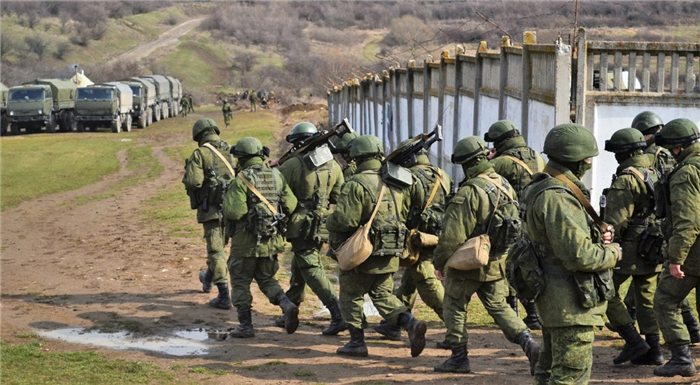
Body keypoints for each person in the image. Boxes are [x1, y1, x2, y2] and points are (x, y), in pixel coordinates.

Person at [520, 124, 621, 384]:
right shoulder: (558, 197)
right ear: (581, 160)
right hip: (571, 303)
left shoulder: (542, 187)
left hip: (555, 300)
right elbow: (580, 256)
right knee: (569, 377)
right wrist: (613, 252)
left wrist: (597, 234)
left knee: (548, 371)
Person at [432, 136, 539, 374]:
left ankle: (459, 358)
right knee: (500, 307)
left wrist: (439, 263)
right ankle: (529, 343)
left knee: (454, 305)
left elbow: (451, 235)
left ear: (465, 164)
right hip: (495, 261)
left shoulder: (469, 192)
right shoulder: (504, 184)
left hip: (468, 262)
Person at [327, 134, 428, 358]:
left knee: (351, 295)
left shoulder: (355, 184)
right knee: (383, 295)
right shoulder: (396, 181)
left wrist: (329, 219)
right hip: (390, 251)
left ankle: (356, 342)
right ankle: (410, 323)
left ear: (356, 157)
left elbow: (346, 221)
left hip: (362, 254)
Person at [375, 139, 450, 346]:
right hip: (435, 235)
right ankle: (394, 323)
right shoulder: (442, 175)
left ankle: (455, 326)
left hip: (416, 239)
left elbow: (401, 210)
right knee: (409, 282)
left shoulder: (410, 178)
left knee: (426, 282)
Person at [275, 122, 347, 336]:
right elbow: (338, 196)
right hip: (323, 223)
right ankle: (291, 306)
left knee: (310, 266)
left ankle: (338, 314)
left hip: (300, 224)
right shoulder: (333, 165)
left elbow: (280, 194)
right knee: (301, 262)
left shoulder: (293, 165)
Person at [223, 137, 299, 338]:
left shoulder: (241, 180)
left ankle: (245, 326)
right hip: (271, 242)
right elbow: (291, 204)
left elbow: (234, 212)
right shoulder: (276, 175)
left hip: (245, 244)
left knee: (240, 281)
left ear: (241, 158)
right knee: (266, 279)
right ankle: (286, 303)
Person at [602, 128, 662, 366]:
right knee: (646, 299)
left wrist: (605, 240)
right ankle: (654, 350)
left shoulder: (626, 179)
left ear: (622, 153)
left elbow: (616, 222)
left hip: (628, 249)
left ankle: (633, 339)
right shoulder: (653, 173)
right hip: (652, 245)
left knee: (604, 290)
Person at [485, 120, 545, 330]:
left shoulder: (502, 162)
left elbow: (480, 179)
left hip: (511, 222)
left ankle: (515, 313)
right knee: (526, 264)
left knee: (509, 265)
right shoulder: (536, 156)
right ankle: (532, 315)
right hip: (535, 220)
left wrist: (488, 160)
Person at [652, 118, 700, 377]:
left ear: (678, 148)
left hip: (694, 253)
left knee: (665, 299)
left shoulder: (685, 173)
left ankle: (681, 357)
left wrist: (675, 258)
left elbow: (687, 220)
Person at [182, 118, 236, 310]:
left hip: (211, 209)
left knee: (216, 251)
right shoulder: (230, 150)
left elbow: (194, 182)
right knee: (219, 247)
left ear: (198, 135)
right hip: (231, 208)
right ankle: (208, 277)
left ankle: (223, 295)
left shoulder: (200, 154)